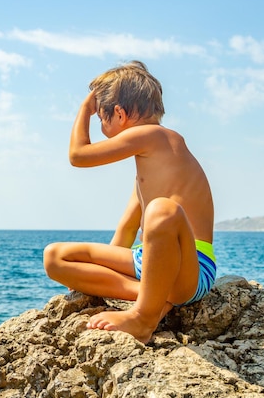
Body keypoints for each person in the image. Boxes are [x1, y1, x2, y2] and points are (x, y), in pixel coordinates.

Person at [43, 61, 216, 344]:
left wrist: (84, 110)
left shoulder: (154, 135)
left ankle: (143, 319)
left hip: (192, 268)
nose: (100, 124)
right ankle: (153, 296)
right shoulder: (148, 171)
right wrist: (105, 270)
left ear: (120, 114)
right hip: (147, 263)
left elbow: (78, 155)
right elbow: (125, 232)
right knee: (54, 256)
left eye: (101, 117)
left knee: (162, 210)